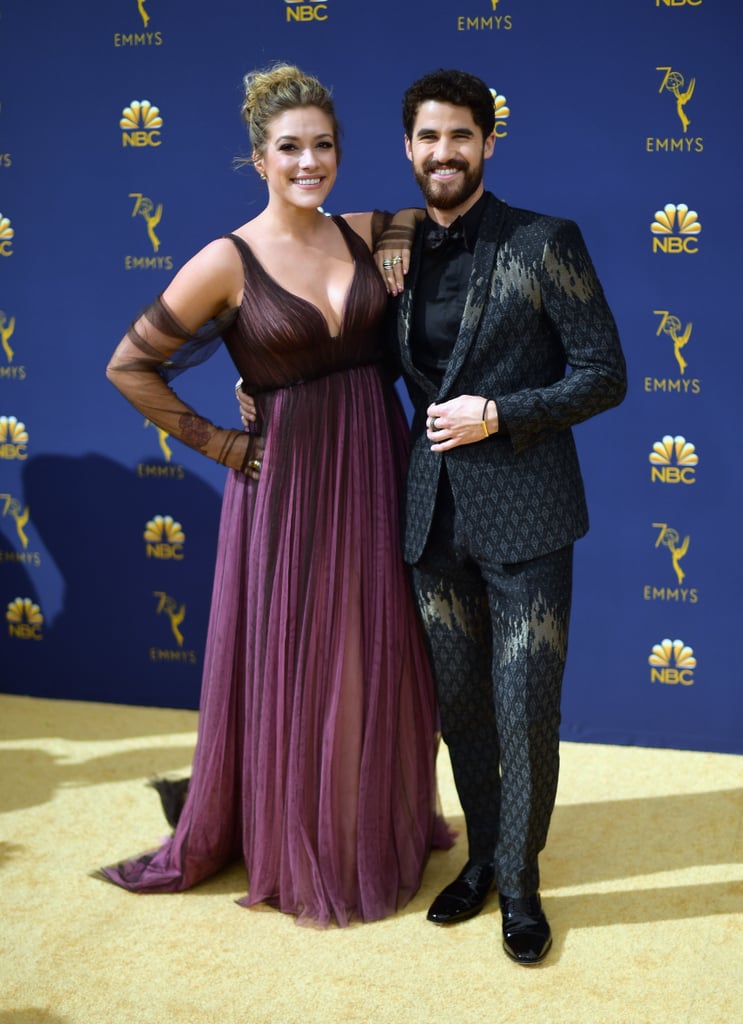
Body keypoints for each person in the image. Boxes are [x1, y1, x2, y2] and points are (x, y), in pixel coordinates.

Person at [241, 67, 627, 962]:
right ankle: (484, 859)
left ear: (489, 142)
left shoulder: (544, 240)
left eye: (460, 136)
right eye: (426, 138)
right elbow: (341, 350)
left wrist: (503, 411)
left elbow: (603, 373)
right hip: (428, 523)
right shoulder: (390, 254)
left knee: (525, 708)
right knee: (461, 711)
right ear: (407, 148)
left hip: (528, 518)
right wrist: (260, 381)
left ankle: (523, 889)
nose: (442, 153)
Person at [99, 63, 451, 927]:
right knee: (306, 655)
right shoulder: (226, 258)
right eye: (289, 148)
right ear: (257, 158)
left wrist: (403, 229)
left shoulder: (365, 230)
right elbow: (129, 365)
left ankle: (366, 823)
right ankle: (310, 842)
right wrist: (222, 442)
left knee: (372, 648)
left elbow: (432, 214)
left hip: (375, 463)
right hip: (289, 485)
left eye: (323, 145)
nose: (309, 162)